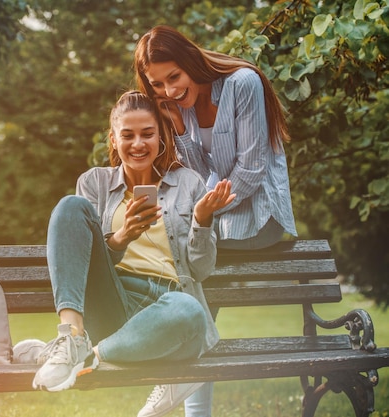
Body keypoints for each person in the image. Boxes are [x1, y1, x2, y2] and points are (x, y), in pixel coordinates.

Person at [31, 90, 235, 417]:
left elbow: (201, 270)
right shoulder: (94, 183)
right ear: (113, 140)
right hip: (116, 299)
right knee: (70, 205)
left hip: (169, 305)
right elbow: (84, 262)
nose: (138, 143)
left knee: (190, 309)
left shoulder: (189, 183)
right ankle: (70, 339)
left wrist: (202, 220)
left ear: (161, 139)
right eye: (127, 135)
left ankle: (89, 355)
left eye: (147, 134)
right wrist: (121, 237)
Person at [133, 25, 298, 416]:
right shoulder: (183, 106)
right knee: (194, 283)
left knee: (187, 262)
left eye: (174, 77)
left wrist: (200, 216)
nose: (170, 91)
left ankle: (171, 383)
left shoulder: (243, 83)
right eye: (158, 84)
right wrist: (177, 126)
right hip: (221, 221)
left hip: (261, 217)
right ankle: (185, 396)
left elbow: (253, 169)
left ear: (190, 61)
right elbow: (198, 171)